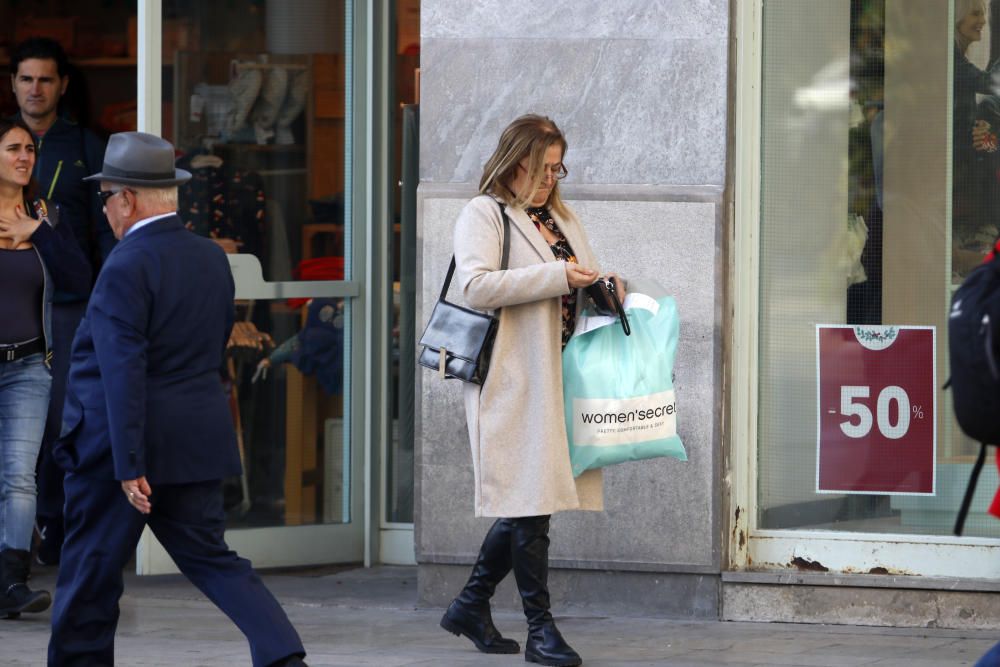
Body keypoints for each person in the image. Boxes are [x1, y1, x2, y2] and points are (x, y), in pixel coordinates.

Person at [47, 132, 306, 667]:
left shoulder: (125, 264)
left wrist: (129, 463)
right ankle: (283, 656)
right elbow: (205, 351)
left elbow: (123, 370)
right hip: (193, 443)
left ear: (127, 199)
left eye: (105, 198)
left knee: (89, 577)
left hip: (119, 452)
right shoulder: (211, 258)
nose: (105, 210)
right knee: (214, 560)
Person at [439, 114, 621, 667]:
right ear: (515, 162)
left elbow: (576, 279)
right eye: (544, 167)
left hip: (559, 374)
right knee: (531, 502)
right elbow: (474, 286)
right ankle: (541, 631)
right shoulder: (485, 213)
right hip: (512, 378)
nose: (552, 177)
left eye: (558, 166)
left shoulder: (558, 215)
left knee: (531, 502)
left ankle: (470, 606)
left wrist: (604, 289)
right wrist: (557, 278)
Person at [10, 36, 113, 564]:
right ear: (13, 84)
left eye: (45, 79)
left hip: (70, 302)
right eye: (26, 78)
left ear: (62, 85)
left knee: (60, 420)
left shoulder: (87, 148)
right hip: (14, 300)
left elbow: (106, 232)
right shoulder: (2, 142)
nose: (35, 89)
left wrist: (108, 298)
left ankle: (53, 525)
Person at [0, 116, 91, 617]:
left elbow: (79, 276)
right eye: (13, 147)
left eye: (30, 149)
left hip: (30, 366)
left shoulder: (47, 213)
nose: (24, 156)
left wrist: (38, 232)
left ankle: (12, 582)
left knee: (20, 476)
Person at [953, 0, 1000, 277]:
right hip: (958, 182)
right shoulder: (949, 59)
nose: (982, 20)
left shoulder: (957, 60)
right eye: (974, 13)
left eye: (983, 14)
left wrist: (983, 134)